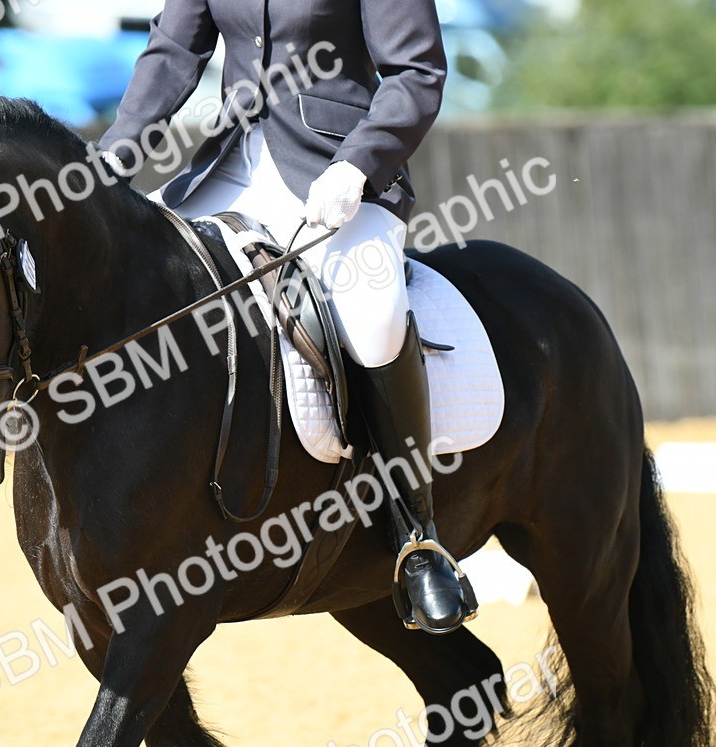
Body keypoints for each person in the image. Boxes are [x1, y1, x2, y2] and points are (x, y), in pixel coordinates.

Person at [98, 0, 474, 633]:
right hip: (227, 167)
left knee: (373, 313)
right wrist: (114, 156)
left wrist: (360, 162)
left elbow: (417, 71)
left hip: (334, 171)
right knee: (129, 274)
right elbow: (173, 50)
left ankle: (418, 537)